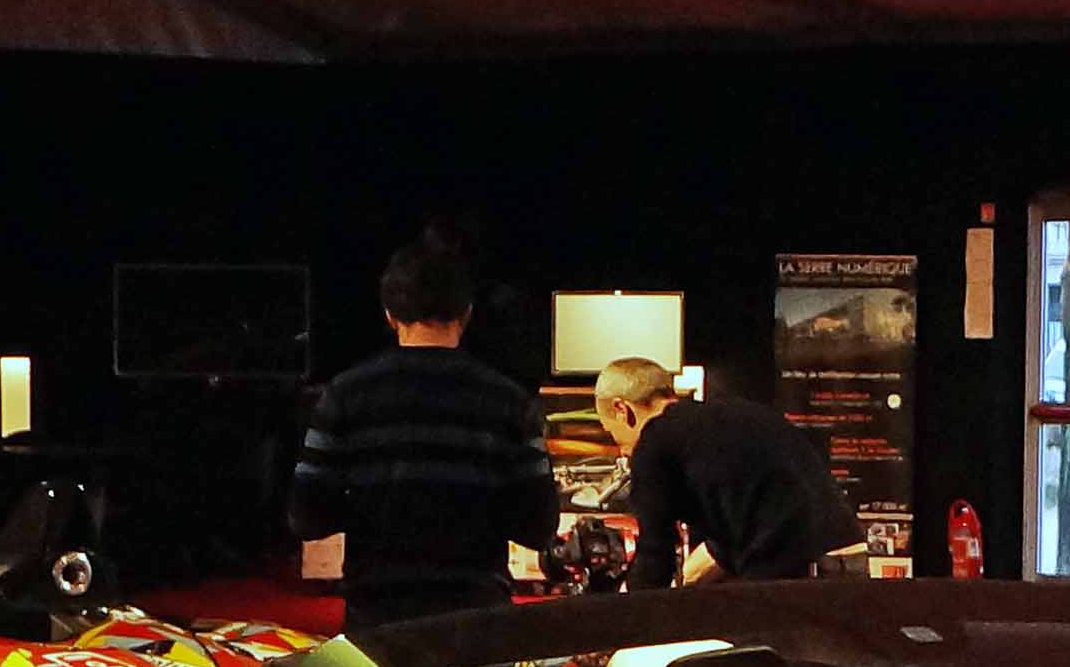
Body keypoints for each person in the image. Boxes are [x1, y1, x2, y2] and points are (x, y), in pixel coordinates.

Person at [289, 238, 555, 624]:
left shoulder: (345, 394)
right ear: (467, 312)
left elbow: (306, 517)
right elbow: (539, 527)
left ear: (389, 314)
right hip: (477, 613)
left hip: (376, 615)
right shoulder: (509, 401)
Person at [599, 355, 850, 585]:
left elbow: (655, 555)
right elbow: (752, 515)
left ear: (623, 410)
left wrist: (625, 610)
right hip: (846, 558)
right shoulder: (741, 415)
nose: (622, 451)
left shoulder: (653, 441)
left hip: (786, 576)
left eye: (612, 434)